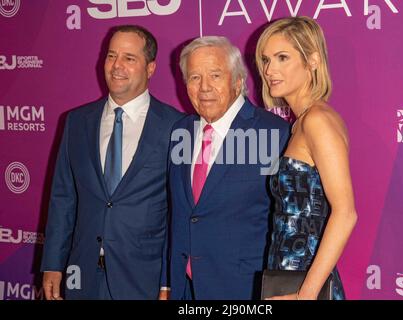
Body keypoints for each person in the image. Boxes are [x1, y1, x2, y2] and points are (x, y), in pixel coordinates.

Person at [40, 25, 184, 300]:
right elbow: (63, 199)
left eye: (129, 58)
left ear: (150, 68)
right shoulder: (77, 122)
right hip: (81, 275)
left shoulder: (176, 127)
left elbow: (177, 213)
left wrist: (167, 283)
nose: (117, 66)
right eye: (111, 55)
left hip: (144, 280)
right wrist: (52, 265)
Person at [162, 36, 290, 300]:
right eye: (194, 77)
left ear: (238, 81)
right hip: (184, 288)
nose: (204, 87)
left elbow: (289, 222)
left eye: (215, 75)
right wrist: (167, 284)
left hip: (244, 290)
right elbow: (178, 215)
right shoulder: (181, 131)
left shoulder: (273, 134)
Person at [255, 16, 358, 300]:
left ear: (312, 61)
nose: (269, 69)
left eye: (282, 58)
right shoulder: (301, 122)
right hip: (288, 274)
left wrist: (306, 294)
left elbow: (346, 212)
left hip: (303, 280)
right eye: (266, 59)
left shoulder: (318, 121)